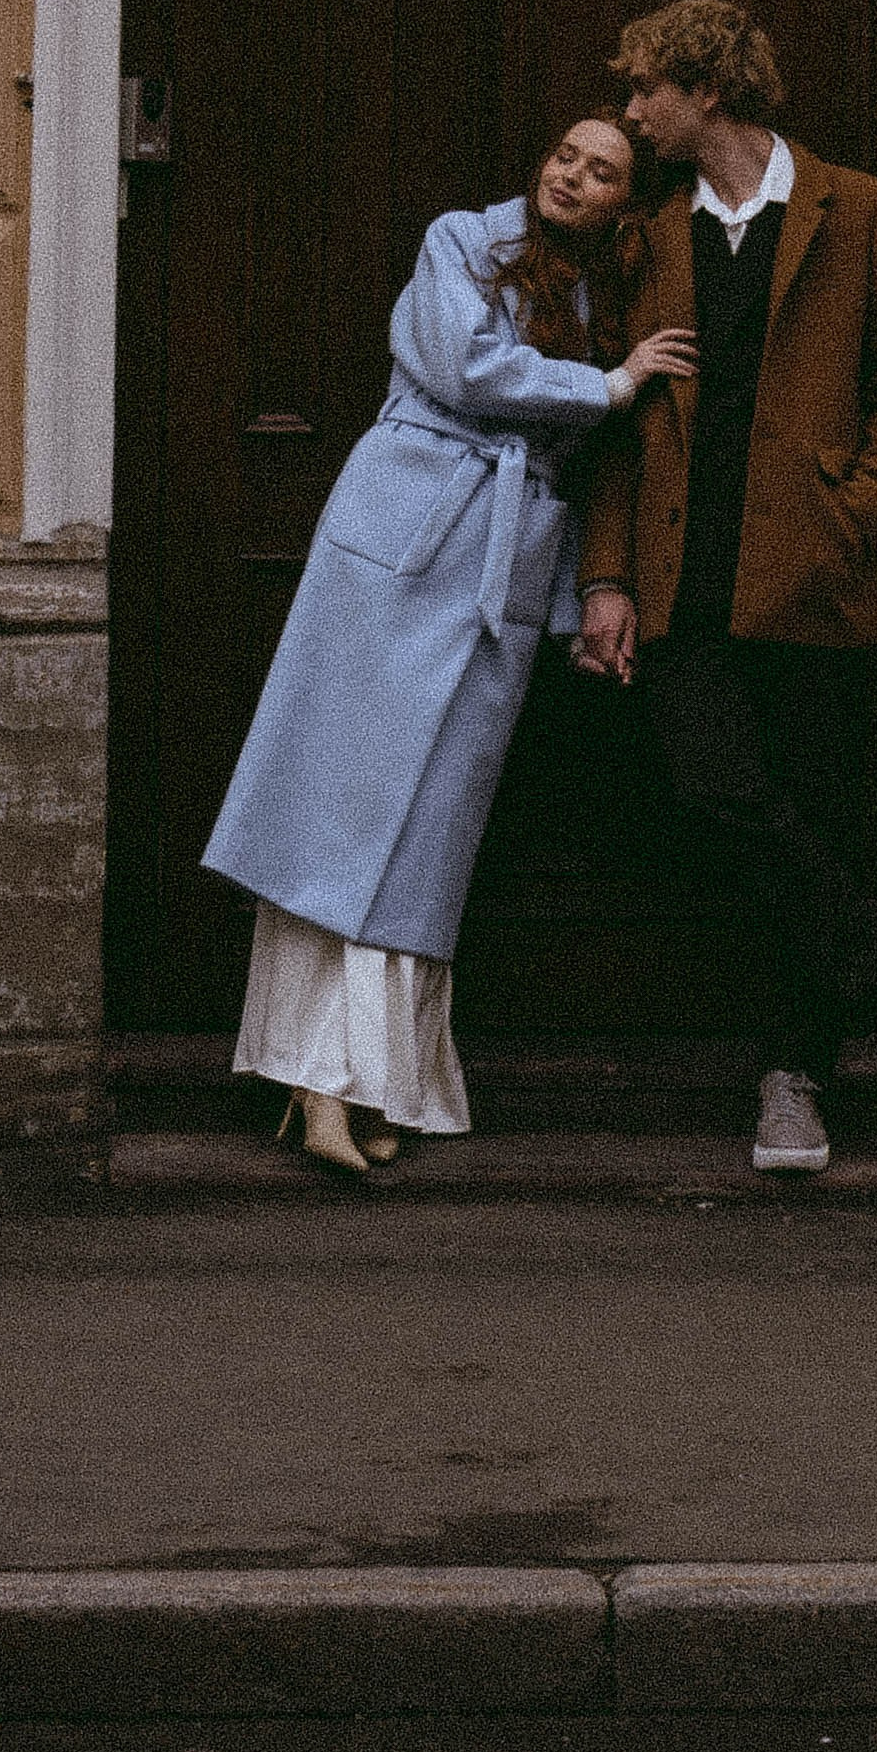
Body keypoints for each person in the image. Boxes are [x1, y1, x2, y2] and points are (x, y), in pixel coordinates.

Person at [203, 119, 695, 1175]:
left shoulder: (600, 299)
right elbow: (465, 366)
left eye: (602, 171)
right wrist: (609, 386)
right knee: (344, 807)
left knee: (429, 831)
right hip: (403, 537)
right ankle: (315, 1077)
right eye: (565, 155)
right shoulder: (462, 239)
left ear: (625, 202)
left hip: (499, 568)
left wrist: (572, 608)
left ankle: (371, 1077)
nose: (572, 175)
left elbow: (572, 472)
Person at [573, 0, 877, 1175]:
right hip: (678, 579)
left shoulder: (859, 210)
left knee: (811, 823)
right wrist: (604, 575)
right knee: (724, 801)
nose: (630, 112)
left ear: (705, 91)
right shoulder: (650, 237)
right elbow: (617, 428)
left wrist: (850, 519)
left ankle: (791, 1082)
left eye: (645, 89)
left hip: (809, 575)